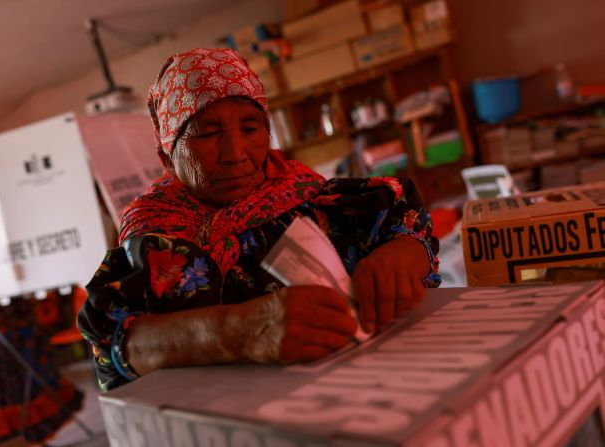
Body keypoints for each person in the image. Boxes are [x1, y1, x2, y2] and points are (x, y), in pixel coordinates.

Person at [78, 48, 440, 391]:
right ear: (167, 157)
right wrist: (239, 331)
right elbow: (117, 350)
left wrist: (402, 256)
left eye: (250, 129)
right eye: (208, 133)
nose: (236, 155)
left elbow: (406, 222)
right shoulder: (154, 236)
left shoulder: (307, 196)